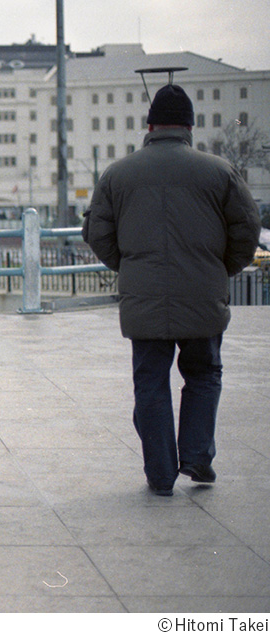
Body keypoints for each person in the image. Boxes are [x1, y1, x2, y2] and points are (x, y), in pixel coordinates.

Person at [83, 83, 261, 497]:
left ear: (149, 125)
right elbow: (247, 228)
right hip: (203, 294)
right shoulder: (219, 171)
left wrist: (130, 267)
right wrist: (221, 268)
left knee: (150, 382)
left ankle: (160, 474)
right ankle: (198, 455)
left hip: (144, 300)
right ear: (190, 127)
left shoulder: (117, 174)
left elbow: (98, 233)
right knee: (203, 374)